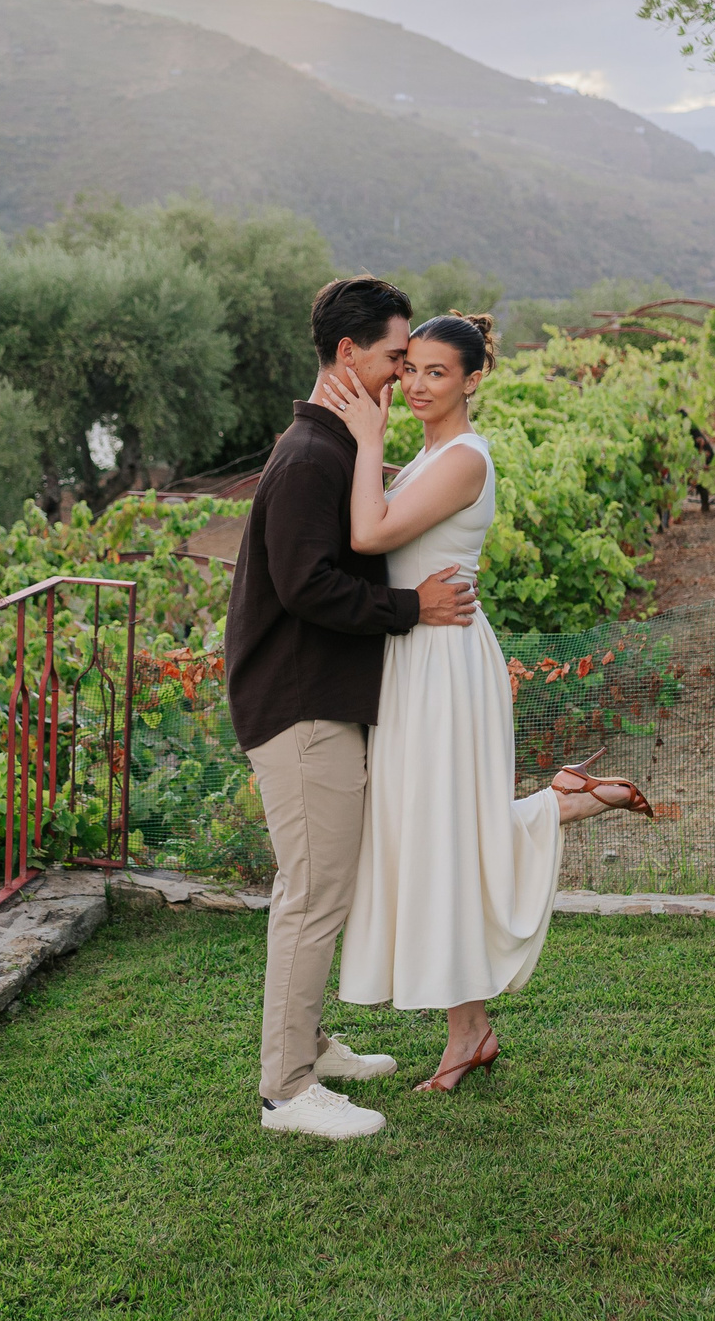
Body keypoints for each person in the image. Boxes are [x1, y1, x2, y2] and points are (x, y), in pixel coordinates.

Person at [321, 311, 657, 1092]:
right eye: (409, 370)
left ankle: (561, 809)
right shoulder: (430, 455)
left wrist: (365, 434)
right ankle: (469, 1029)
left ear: (473, 380)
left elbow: (369, 535)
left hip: (445, 666)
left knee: (446, 835)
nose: (413, 385)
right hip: (416, 657)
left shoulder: (464, 458)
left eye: (435, 373)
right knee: (434, 837)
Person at [224, 277, 483, 1142]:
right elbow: (307, 586)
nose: (404, 376)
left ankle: (311, 1043)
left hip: (324, 700)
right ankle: (288, 1089)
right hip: (298, 708)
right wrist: (415, 611)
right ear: (349, 356)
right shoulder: (311, 455)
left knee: (326, 885)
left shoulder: (339, 445)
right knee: (312, 892)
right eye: (394, 359)